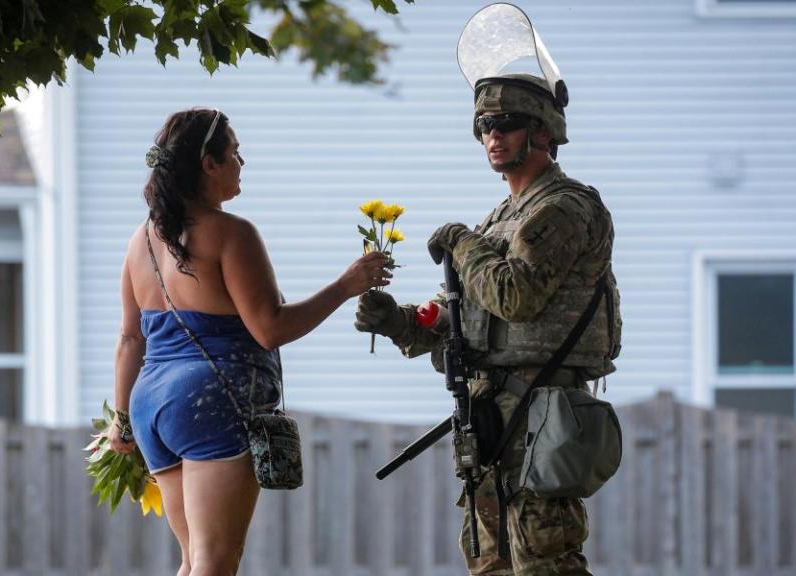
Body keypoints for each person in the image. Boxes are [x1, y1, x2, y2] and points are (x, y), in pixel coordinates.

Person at [355, 71, 622, 575]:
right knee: (488, 560)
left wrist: (459, 239)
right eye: (482, 126)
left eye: (506, 123)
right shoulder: (503, 216)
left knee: (545, 559)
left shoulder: (563, 208)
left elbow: (513, 295)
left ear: (543, 132)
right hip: (491, 415)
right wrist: (396, 320)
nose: (492, 137)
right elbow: (455, 313)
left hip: (542, 410)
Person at [107, 108, 390, 576]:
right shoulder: (232, 234)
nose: (242, 162)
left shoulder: (141, 239)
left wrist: (122, 420)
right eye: (235, 153)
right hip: (211, 401)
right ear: (209, 164)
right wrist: (346, 285)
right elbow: (270, 328)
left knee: (193, 560)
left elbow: (129, 338)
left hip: (151, 404)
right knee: (216, 563)